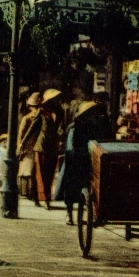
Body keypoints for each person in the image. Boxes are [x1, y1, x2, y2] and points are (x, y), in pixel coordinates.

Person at [55, 97, 114, 225]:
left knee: (91, 187)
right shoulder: (74, 128)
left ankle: (91, 212)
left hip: (89, 162)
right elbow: (70, 147)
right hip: (75, 162)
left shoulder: (97, 127)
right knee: (70, 189)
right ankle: (69, 213)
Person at [34, 88, 63, 208]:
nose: (56, 101)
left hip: (53, 145)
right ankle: (42, 198)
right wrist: (22, 143)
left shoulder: (60, 111)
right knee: (41, 174)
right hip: (41, 145)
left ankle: (46, 198)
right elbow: (33, 128)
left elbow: (61, 126)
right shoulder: (41, 112)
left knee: (50, 173)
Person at [15, 92, 43, 199]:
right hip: (33, 145)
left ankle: (27, 192)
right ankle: (31, 192)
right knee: (31, 168)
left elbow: (21, 134)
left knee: (27, 168)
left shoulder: (27, 118)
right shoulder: (35, 117)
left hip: (28, 145)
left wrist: (20, 145)